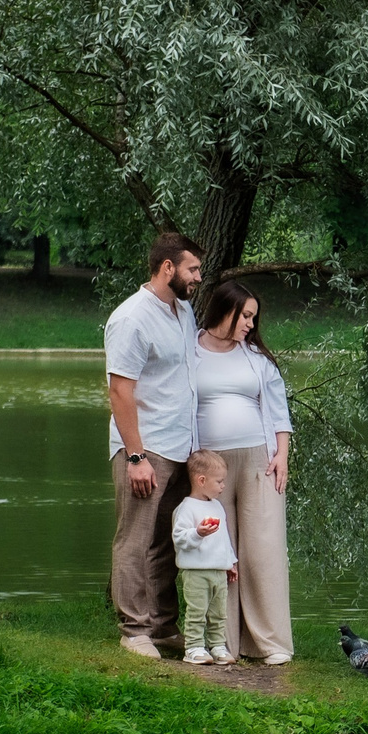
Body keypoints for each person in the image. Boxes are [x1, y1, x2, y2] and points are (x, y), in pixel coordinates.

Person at [105, 233, 203, 657]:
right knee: (135, 539)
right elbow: (119, 391)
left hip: (182, 445)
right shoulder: (131, 318)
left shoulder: (184, 310)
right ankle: (134, 632)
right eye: (192, 269)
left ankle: (164, 628)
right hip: (147, 448)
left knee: (165, 541)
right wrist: (136, 456)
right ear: (168, 268)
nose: (198, 277)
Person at [191, 278, 296, 664]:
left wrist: (282, 454)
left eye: (254, 317)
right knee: (220, 548)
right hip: (208, 465)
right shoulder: (191, 351)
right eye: (245, 315)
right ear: (225, 310)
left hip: (258, 461)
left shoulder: (256, 358)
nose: (251, 324)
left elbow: (279, 410)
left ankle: (271, 644)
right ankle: (224, 643)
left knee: (263, 548)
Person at [169, 450, 237, 664]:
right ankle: (194, 647)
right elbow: (179, 538)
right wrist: (197, 533)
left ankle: (217, 645)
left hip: (218, 571)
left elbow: (223, 538)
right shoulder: (186, 508)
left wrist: (231, 561)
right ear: (201, 480)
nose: (223, 486)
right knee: (197, 611)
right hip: (196, 572)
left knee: (218, 613)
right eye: (219, 481)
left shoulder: (217, 506)